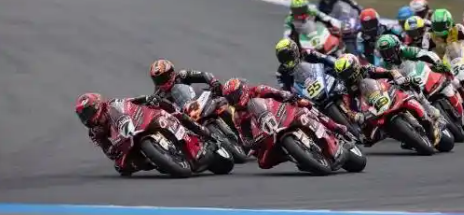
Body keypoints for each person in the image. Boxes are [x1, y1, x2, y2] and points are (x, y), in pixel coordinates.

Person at [75, 92, 217, 176]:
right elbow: (108, 150)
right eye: (83, 116)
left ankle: (200, 130)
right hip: (128, 141)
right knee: (121, 168)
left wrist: (147, 98)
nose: (86, 118)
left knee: (168, 109)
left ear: (97, 106)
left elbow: (132, 100)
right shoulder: (94, 132)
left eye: (87, 113)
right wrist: (114, 151)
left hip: (144, 120)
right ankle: (157, 160)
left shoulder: (112, 105)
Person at [219, 78, 348, 169]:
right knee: (263, 163)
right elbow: (245, 139)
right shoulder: (237, 116)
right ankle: (296, 156)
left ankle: (335, 127)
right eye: (230, 98)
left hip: (283, 112)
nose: (234, 100)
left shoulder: (257, 90)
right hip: (269, 133)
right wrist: (253, 143)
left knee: (305, 105)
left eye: (235, 95)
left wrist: (287, 95)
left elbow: (277, 92)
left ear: (242, 89)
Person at [333, 53, 440, 146]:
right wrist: (355, 116)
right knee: (368, 138)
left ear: (355, 66)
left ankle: (428, 110)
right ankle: (403, 137)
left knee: (410, 85)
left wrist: (398, 77)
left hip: (384, 93)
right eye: (342, 74)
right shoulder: (345, 88)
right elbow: (346, 108)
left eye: (347, 72)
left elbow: (389, 72)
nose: (346, 76)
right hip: (369, 110)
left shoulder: (367, 69)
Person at [148, 59, 222, 103]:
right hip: (182, 118)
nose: (161, 81)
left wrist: (214, 82)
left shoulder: (181, 75)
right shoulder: (158, 94)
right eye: (157, 80)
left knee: (219, 92)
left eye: (163, 77)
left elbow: (203, 75)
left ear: (171, 73)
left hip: (197, 102)